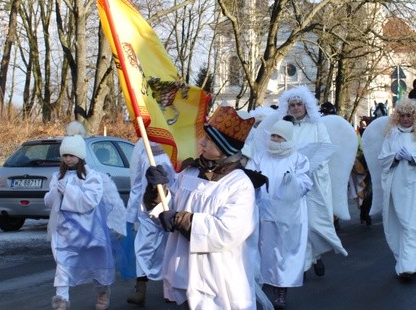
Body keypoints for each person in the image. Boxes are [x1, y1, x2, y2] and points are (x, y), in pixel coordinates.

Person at [143, 106, 267, 309]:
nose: (201, 142)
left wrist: (178, 219)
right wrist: (156, 191)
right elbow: (165, 211)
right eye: (204, 137)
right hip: (184, 273)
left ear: (224, 149)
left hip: (218, 280)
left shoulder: (239, 184)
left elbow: (226, 232)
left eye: (209, 140)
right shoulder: (190, 173)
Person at [262, 87, 347, 277]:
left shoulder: (317, 126)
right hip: (291, 182)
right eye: (292, 105)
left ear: (306, 105)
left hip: (314, 181)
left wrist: (309, 162)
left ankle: (315, 256)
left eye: (299, 104)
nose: (296, 108)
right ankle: (305, 262)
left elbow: (325, 149)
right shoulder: (285, 126)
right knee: (296, 222)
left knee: (313, 222)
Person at [246, 116, 312, 309]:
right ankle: (265, 282)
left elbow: (306, 183)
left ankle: (281, 291)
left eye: (279, 137)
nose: (275, 139)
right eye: (273, 135)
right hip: (264, 211)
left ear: (287, 138)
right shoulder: (260, 156)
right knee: (265, 251)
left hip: (289, 214)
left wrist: (292, 183)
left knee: (284, 254)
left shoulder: (299, 159)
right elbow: (250, 177)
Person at [45, 135, 115, 310]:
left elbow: (89, 201)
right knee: (62, 265)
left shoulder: (92, 177)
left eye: (72, 155)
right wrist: (56, 192)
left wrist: (68, 190)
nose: (68, 159)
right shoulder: (57, 176)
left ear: (80, 156)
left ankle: (103, 292)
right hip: (64, 231)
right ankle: (61, 301)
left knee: (97, 264)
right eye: (65, 155)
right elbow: (49, 202)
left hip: (89, 230)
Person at [377, 97, 416, 281]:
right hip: (397, 187)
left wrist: (413, 158)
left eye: (408, 116)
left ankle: (407, 267)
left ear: (415, 116)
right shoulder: (391, 135)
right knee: (401, 225)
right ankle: (408, 262)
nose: (405, 119)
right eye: (401, 115)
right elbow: (383, 159)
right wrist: (395, 157)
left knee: (414, 226)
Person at [124, 139, 176, 306]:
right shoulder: (142, 147)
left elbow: (180, 176)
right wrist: (131, 215)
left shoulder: (175, 142)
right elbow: (137, 182)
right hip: (147, 209)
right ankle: (140, 290)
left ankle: (171, 290)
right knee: (143, 247)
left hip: (173, 207)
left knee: (171, 249)